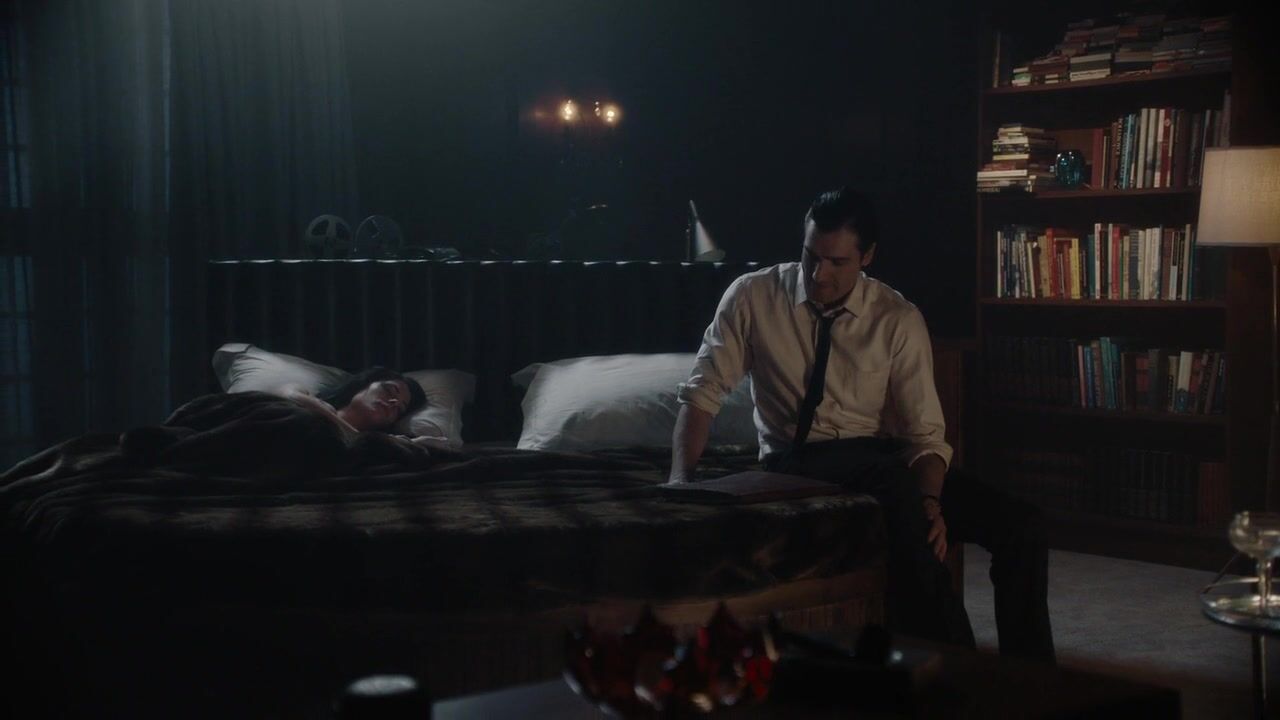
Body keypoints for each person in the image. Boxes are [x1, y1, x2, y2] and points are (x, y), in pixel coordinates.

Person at [670, 187, 1054, 662]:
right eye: (811, 257)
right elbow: (702, 395)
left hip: (880, 461)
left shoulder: (896, 318)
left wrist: (930, 501)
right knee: (893, 482)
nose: (819, 274)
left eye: (837, 262)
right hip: (796, 459)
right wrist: (680, 483)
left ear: (867, 256)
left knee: (1023, 526)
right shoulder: (753, 296)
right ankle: (956, 665)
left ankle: (1034, 680)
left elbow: (924, 437)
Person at [280, 367, 428, 437]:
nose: (394, 402)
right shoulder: (304, 393)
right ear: (365, 384)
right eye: (389, 390)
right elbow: (289, 395)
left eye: (400, 409)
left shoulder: (381, 447)